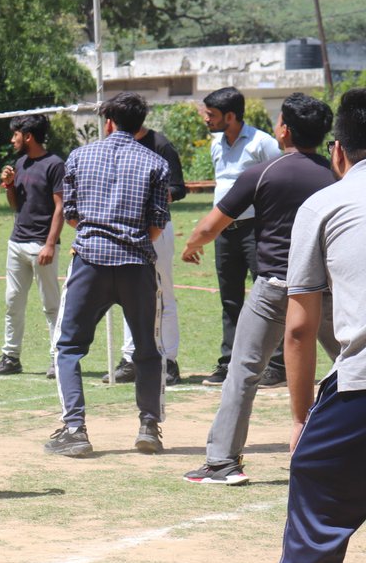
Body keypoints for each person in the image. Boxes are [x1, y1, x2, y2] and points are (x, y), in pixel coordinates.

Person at [257, 87, 366, 563]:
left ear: (338, 151)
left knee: (316, 525)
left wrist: (300, 417)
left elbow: (299, 327)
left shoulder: (327, 203)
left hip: (358, 393)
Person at [181, 93, 338, 486]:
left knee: (244, 370)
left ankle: (222, 462)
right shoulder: (335, 174)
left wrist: (191, 245)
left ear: (284, 130)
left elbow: (211, 225)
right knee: (353, 364)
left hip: (275, 289)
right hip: (325, 290)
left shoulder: (264, 172)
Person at [45, 91, 169, 458]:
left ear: (108, 122)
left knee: (68, 347)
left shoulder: (79, 156)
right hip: (137, 266)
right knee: (148, 348)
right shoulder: (155, 163)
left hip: (90, 262)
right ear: (141, 125)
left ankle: (75, 429)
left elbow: (71, 215)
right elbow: (157, 225)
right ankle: (149, 426)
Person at [201, 87, 283, 387]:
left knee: (270, 296)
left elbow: (279, 179)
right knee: (230, 299)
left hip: (255, 230)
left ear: (231, 116)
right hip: (225, 233)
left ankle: (277, 365)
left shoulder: (262, 143)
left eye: (212, 114)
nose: (206, 119)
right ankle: (229, 362)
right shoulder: (216, 144)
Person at [103, 124, 188, 386]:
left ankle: (168, 360)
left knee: (162, 293)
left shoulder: (160, 145)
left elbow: (179, 188)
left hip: (156, 226)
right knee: (128, 293)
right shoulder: (114, 147)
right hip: (126, 226)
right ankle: (130, 359)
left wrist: (151, 194)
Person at [0, 114, 64, 380]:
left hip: (41, 245)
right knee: (13, 302)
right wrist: (9, 185)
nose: (12, 139)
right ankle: (11, 357)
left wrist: (50, 244)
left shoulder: (55, 165)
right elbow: (15, 205)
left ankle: (58, 358)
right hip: (17, 243)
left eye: (16, 134)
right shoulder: (20, 163)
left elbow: (60, 207)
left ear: (28, 136)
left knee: (51, 305)